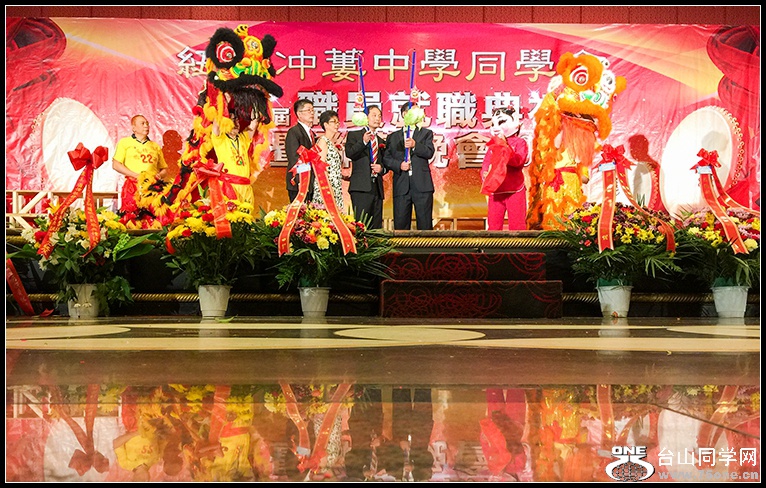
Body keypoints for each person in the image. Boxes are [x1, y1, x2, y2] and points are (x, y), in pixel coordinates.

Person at [382, 103, 435, 230]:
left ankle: (427, 244)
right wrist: (399, 165)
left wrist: (415, 145)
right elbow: (386, 158)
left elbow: (429, 152)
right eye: (414, 111)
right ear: (405, 114)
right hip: (401, 185)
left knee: (425, 225)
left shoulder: (426, 133)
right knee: (401, 225)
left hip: (422, 186)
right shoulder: (393, 137)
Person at [112, 114, 168, 226]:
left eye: (147, 123)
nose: (146, 126)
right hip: (133, 186)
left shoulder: (155, 146)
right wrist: (135, 175)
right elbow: (116, 165)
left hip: (152, 187)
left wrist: (159, 176)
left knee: (154, 217)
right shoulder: (125, 143)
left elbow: (164, 169)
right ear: (133, 127)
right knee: (132, 217)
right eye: (142, 123)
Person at [480, 107, 529, 230]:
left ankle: (518, 244)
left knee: (517, 226)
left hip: (514, 190)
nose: (496, 127)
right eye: (493, 124)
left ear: (516, 124)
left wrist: (504, 145)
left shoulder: (520, 142)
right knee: (494, 226)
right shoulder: (493, 145)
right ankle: (494, 244)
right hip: (496, 190)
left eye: (501, 122)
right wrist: (485, 174)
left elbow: (518, 162)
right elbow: (486, 163)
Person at [345, 104, 387, 229]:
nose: (377, 118)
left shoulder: (381, 141)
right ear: (365, 117)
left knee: (376, 227)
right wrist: (363, 142)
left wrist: (381, 168)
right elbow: (350, 153)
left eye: (379, 116)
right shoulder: (354, 135)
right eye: (374, 115)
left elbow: (386, 163)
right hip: (361, 188)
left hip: (377, 188)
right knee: (361, 225)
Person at [211, 115, 258, 205]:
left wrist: (256, 109)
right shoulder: (220, 139)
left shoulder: (243, 138)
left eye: (237, 120)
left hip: (245, 187)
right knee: (231, 213)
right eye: (232, 120)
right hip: (229, 187)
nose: (235, 123)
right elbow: (216, 123)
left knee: (247, 213)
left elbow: (254, 123)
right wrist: (221, 109)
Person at [312, 110, 346, 212]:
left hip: (335, 186)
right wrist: (327, 189)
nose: (337, 124)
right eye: (333, 122)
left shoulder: (332, 143)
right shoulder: (323, 141)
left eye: (337, 122)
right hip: (326, 186)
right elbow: (320, 168)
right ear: (325, 125)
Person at [284, 98, 316, 203]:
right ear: (299, 114)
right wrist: (302, 180)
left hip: (311, 182)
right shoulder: (294, 132)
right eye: (308, 110)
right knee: (299, 211)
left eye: (312, 110)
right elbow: (294, 158)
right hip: (299, 181)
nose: (312, 113)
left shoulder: (312, 133)